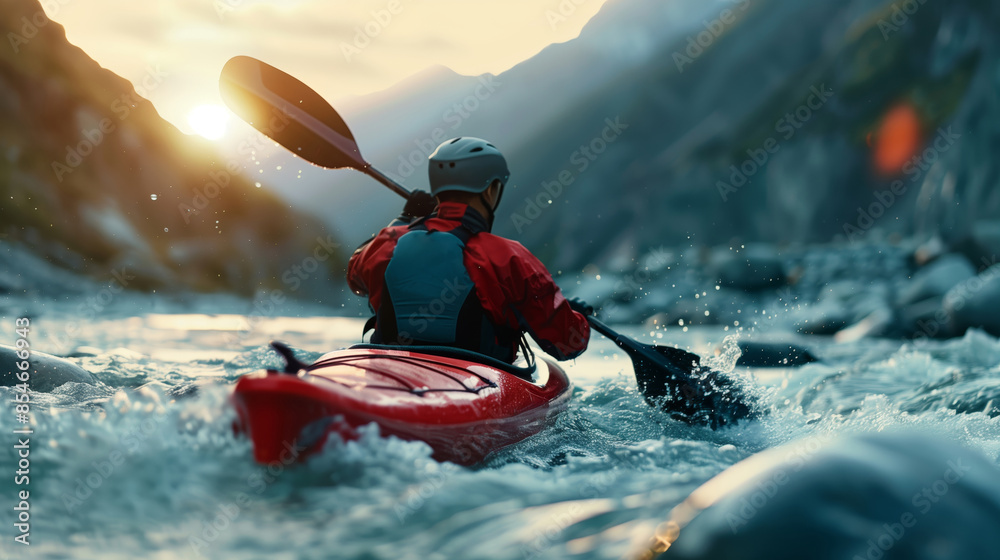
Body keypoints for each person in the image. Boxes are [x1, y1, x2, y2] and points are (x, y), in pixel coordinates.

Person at [347, 137, 590, 364]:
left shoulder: (389, 242)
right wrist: (578, 317)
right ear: (491, 190)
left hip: (391, 372)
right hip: (477, 385)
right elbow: (567, 345)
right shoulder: (510, 258)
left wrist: (403, 219)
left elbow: (355, 276)